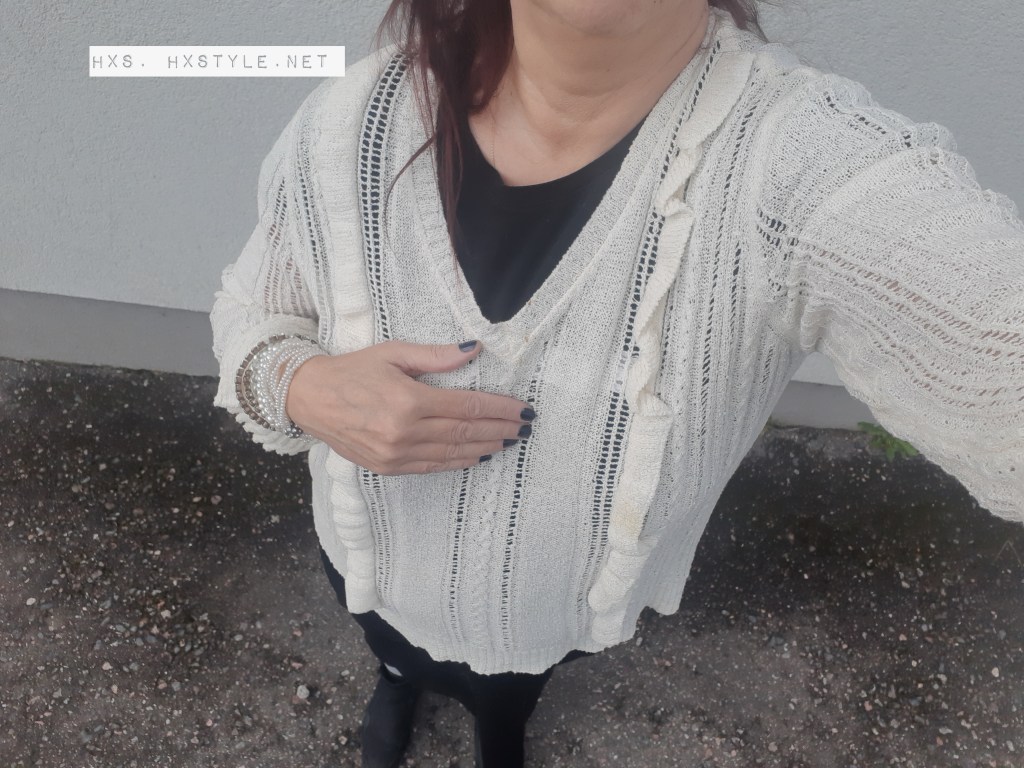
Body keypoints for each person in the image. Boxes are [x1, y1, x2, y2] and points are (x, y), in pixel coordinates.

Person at [209, 1, 1024, 765]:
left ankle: (500, 732)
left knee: (509, 695)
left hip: (546, 620)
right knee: (387, 646)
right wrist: (297, 385)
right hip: (367, 560)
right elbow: (254, 312)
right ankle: (395, 682)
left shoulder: (800, 171)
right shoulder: (352, 120)